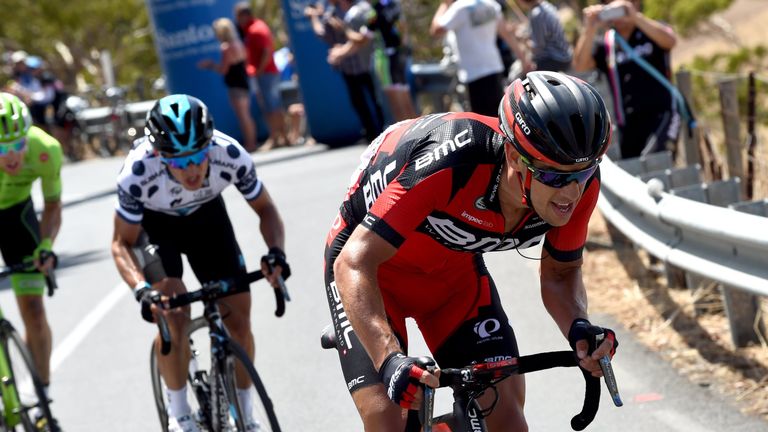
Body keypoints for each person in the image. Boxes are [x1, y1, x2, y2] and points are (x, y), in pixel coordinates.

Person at [323, 71, 619, 431]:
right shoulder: (454, 159)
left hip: (451, 278)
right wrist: (388, 359)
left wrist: (578, 326)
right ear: (513, 156)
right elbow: (354, 262)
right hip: (371, 274)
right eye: (555, 177)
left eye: (584, 173)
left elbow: (560, 274)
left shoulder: (579, 186)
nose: (571, 193)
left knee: (507, 419)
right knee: (389, 418)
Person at [111, 94, 290, 432]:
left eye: (198, 157)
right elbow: (121, 242)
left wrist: (275, 252)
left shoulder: (229, 153)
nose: (192, 169)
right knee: (173, 311)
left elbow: (266, 209)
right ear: (160, 156)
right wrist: (141, 289)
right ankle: (179, 415)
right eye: (179, 163)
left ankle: (246, 415)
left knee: (238, 321)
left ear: (210, 145)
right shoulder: (137, 173)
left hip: (208, 221)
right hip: (155, 229)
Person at [0, 92, 62, 431]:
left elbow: (52, 205)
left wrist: (47, 245)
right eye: (1, 149)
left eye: (16, 145)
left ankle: (42, 397)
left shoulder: (46, 150)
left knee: (34, 312)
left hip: (17, 218)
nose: (11, 157)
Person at [572, 0, 679, 159]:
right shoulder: (607, 44)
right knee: (635, 170)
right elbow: (580, 65)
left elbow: (670, 41)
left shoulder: (650, 30)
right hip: (629, 123)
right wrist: (590, 27)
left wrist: (635, 17)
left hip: (662, 114)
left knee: (656, 159)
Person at [430, 0, 530, 116]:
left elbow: (436, 30)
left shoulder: (460, 8)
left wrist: (445, 4)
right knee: (498, 116)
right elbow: (507, 34)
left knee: (481, 122)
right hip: (494, 68)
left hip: (473, 74)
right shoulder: (491, 5)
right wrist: (523, 59)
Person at [305, 0, 385, 143]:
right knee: (358, 102)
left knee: (377, 100)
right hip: (349, 67)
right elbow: (323, 33)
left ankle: (384, 132)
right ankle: (371, 135)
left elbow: (363, 39)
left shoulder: (360, 9)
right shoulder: (332, 13)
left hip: (367, 63)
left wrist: (341, 50)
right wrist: (314, 17)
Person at [234, 1, 291, 151]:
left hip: (266, 73)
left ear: (245, 15)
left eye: (239, 17)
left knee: (270, 107)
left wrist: (259, 70)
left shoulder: (255, 29)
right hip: (267, 72)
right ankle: (283, 137)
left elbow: (266, 51)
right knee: (273, 105)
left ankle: (275, 137)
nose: (238, 21)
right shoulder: (255, 27)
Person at [198, 17, 258, 152]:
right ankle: (252, 142)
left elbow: (223, 69)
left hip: (235, 84)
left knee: (243, 116)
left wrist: (210, 65)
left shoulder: (226, 47)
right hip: (244, 81)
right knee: (246, 114)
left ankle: (250, 144)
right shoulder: (239, 44)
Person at [517, 0, 573, 72]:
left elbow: (538, 47)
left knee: (525, 75)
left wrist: (523, 40)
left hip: (556, 59)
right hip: (565, 55)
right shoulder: (546, 5)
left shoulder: (537, 14)